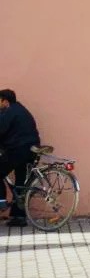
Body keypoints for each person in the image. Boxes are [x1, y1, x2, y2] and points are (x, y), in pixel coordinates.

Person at [0, 89, 41, 227]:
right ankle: (19, 217)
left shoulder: (9, 112)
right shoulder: (21, 109)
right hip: (31, 150)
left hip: (18, 149)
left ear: (4, 100)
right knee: (20, 181)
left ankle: (1, 202)